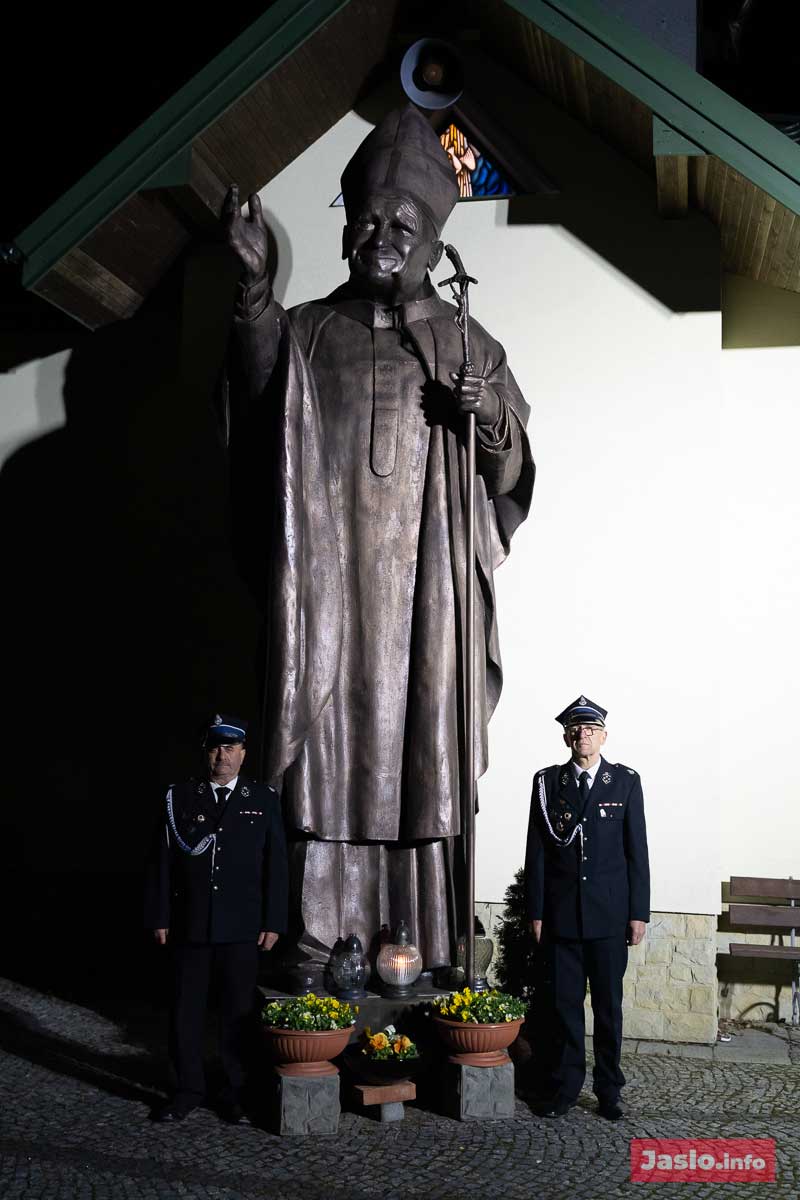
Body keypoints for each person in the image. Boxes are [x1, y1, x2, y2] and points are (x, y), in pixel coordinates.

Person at [220, 104, 534, 969]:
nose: (381, 238)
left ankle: (425, 938)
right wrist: (253, 294)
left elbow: (511, 470)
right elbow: (257, 409)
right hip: (332, 590)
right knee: (326, 747)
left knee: (423, 753)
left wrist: (485, 414)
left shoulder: (468, 341)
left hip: (427, 596)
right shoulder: (309, 330)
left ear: (434, 241)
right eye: (367, 222)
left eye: (402, 225)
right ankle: (319, 934)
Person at [144, 714, 288, 1123]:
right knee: (185, 1011)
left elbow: (276, 865)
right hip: (190, 923)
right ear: (204, 752)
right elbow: (161, 862)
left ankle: (235, 1092)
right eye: (214, 748)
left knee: (237, 1014)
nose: (221, 756)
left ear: (243, 754)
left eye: (229, 748)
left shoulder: (263, 799)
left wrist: (274, 921)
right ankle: (187, 1089)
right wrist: (159, 915)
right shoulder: (179, 798)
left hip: (243, 927)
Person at [524, 696, 649, 1121]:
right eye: (576, 730)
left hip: (610, 919)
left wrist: (638, 913)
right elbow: (536, 852)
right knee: (565, 1009)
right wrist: (536, 911)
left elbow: (637, 852)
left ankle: (609, 1090)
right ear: (566, 737)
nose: (584, 736)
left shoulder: (624, 782)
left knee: (608, 1009)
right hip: (562, 918)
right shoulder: (548, 784)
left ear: (604, 737)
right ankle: (565, 1088)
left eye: (592, 730)